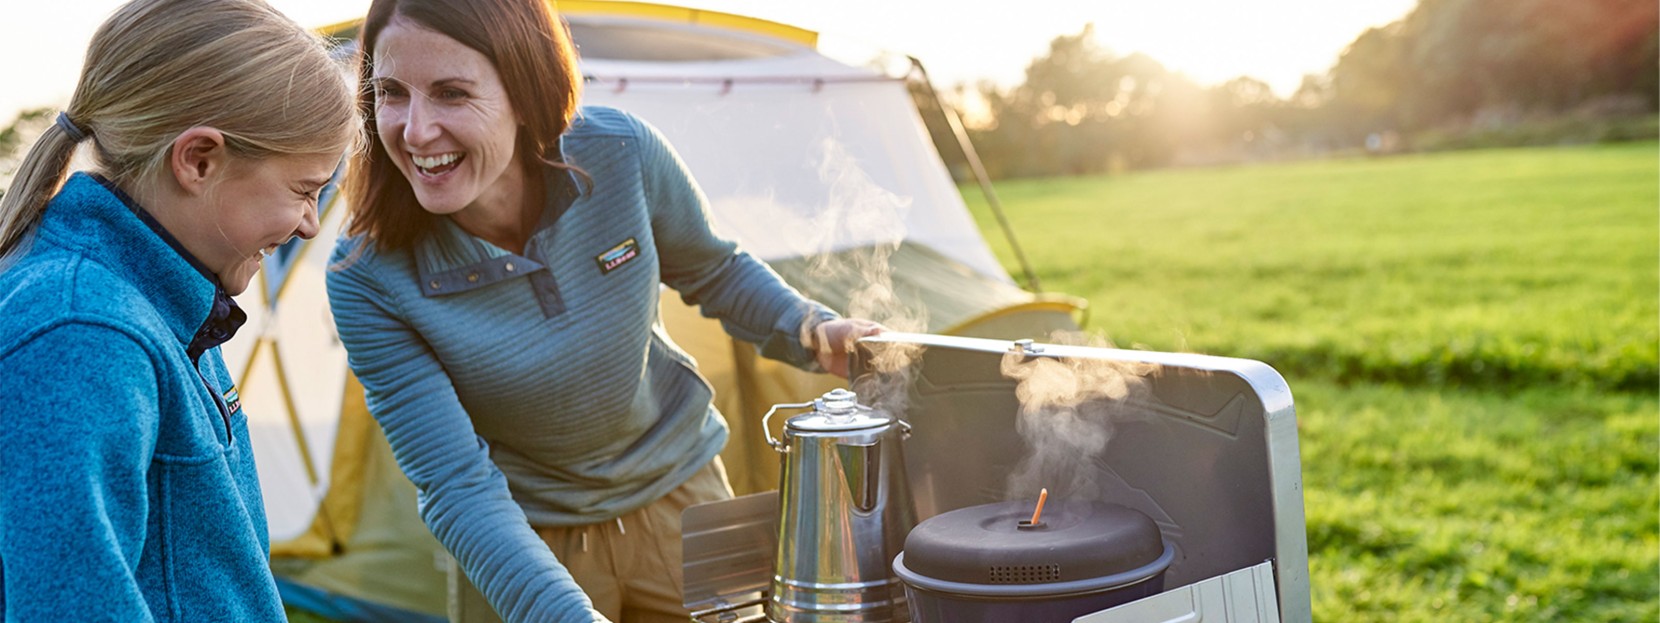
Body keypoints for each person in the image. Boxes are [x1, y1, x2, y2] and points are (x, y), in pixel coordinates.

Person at [324, 0, 883, 621]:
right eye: (391, 93)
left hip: (683, 499)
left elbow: (713, 268)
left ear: (526, 88)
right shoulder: (366, 277)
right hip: (523, 544)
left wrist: (809, 329)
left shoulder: (621, 153)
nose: (414, 130)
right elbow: (455, 485)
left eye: (452, 93)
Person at [0, 0, 359, 620]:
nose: (309, 224)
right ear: (198, 160)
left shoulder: (170, 309)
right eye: (303, 190)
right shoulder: (86, 332)